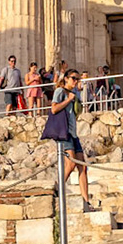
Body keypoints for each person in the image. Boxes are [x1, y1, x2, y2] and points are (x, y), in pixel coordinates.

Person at [43, 71, 91, 205]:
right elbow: (53, 109)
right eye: (73, 78)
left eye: (77, 79)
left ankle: (86, 201)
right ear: (66, 79)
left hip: (73, 133)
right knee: (71, 163)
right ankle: (57, 189)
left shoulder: (74, 94)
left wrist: (76, 97)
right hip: (64, 133)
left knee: (83, 166)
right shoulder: (60, 91)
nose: (75, 81)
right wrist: (69, 99)